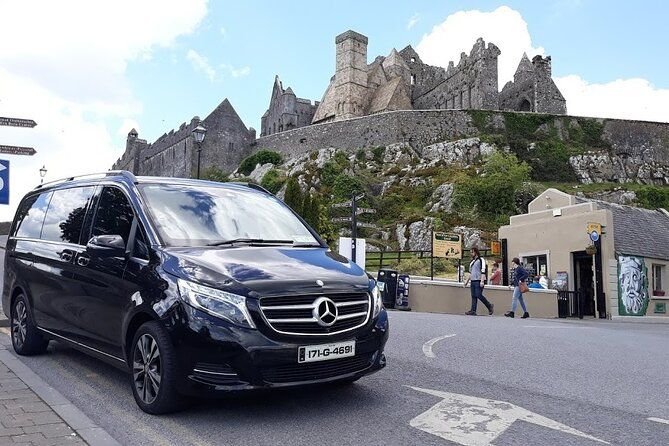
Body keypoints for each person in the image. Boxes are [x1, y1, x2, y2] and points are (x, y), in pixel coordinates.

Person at [464, 247, 493, 316]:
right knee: (473, 296)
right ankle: (473, 310)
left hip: (479, 280)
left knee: (478, 294)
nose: (471, 254)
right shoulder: (472, 262)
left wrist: (482, 281)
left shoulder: (481, 259)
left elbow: (483, 271)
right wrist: (467, 282)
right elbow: (471, 273)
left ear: (476, 252)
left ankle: (489, 305)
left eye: (472, 252)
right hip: (473, 281)